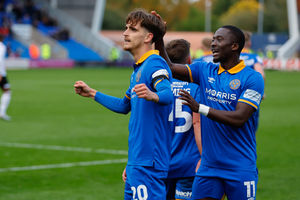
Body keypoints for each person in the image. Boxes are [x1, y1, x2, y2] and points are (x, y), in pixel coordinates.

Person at [153, 12, 264, 200]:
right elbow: (170, 67)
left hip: (240, 166)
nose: (213, 43)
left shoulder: (252, 78)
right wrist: (159, 38)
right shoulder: (205, 69)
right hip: (208, 167)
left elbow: (239, 118)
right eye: (213, 39)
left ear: (234, 46)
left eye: (219, 40)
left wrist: (200, 108)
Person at [74, 9, 173, 199]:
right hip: (138, 161)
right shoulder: (138, 71)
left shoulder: (154, 64)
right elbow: (123, 106)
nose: (125, 33)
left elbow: (167, 94)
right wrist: (92, 93)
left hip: (149, 163)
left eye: (133, 29)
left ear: (148, 37)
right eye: (126, 28)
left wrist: (154, 95)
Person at [165, 39, 201, 200]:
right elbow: (199, 123)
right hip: (189, 164)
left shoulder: (157, 88)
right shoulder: (196, 87)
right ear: (188, 61)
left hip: (161, 164)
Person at [0, 35, 11, 121]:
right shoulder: (1, 46)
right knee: (7, 92)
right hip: (1, 74)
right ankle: (2, 113)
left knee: (7, 91)